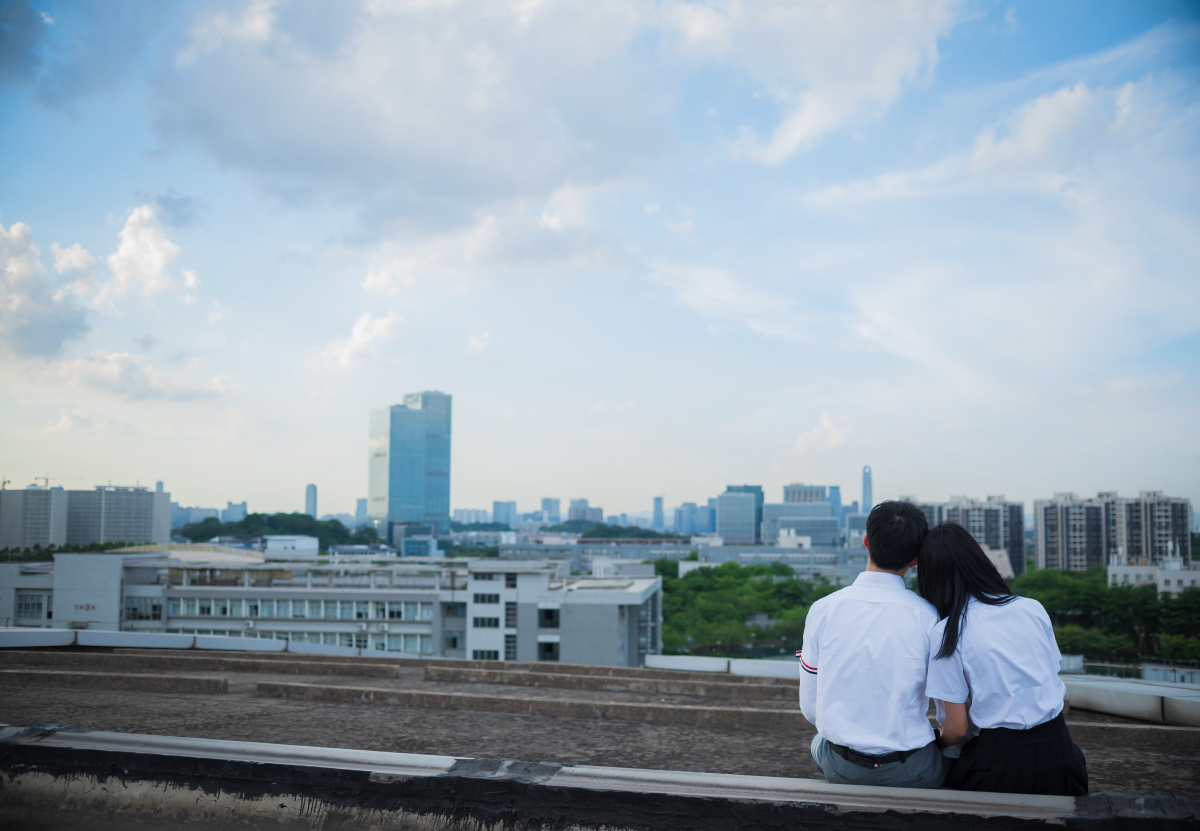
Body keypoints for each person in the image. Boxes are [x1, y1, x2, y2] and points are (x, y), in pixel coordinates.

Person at [919, 522, 1088, 796]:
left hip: (998, 766)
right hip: (1060, 756)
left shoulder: (948, 631)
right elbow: (1047, 677)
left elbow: (957, 729)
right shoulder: (1032, 608)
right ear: (980, 561)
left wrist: (937, 742)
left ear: (931, 578)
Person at [800, 500, 947, 788]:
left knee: (819, 741)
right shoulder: (930, 617)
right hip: (912, 769)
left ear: (866, 542)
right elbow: (947, 712)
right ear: (915, 559)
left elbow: (811, 708)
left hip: (843, 766)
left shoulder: (823, 609)